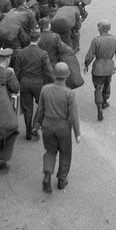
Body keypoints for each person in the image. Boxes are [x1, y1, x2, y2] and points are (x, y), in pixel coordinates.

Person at [37, 62, 81, 193]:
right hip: (63, 128)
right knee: (65, 153)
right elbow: (73, 115)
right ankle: (62, 180)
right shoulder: (69, 93)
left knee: (50, 151)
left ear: (55, 75)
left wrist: (41, 123)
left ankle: (47, 175)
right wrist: (77, 133)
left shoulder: (45, 89)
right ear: (67, 76)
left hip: (47, 125)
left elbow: (40, 110)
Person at [15, 29, 54, 140]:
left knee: (28, 109)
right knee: (43, 104)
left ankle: (28, 132)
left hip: (24, 83)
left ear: (29, 39)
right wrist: (56, 81)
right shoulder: (43, 53)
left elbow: (17, 71)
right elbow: (48, 70)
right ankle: (36, 126)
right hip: (37, 84)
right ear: (39, 39)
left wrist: (19, 82)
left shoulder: (21, 52)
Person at [84, 21, 116, 121]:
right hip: (109, 68)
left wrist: (86, 65)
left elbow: (90, 55)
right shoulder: (115, 40)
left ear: (100, 30)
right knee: (107, 84)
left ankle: (99, 106)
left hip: (98, 68)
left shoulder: (96, 41)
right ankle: (105, 101)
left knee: (98, 87)